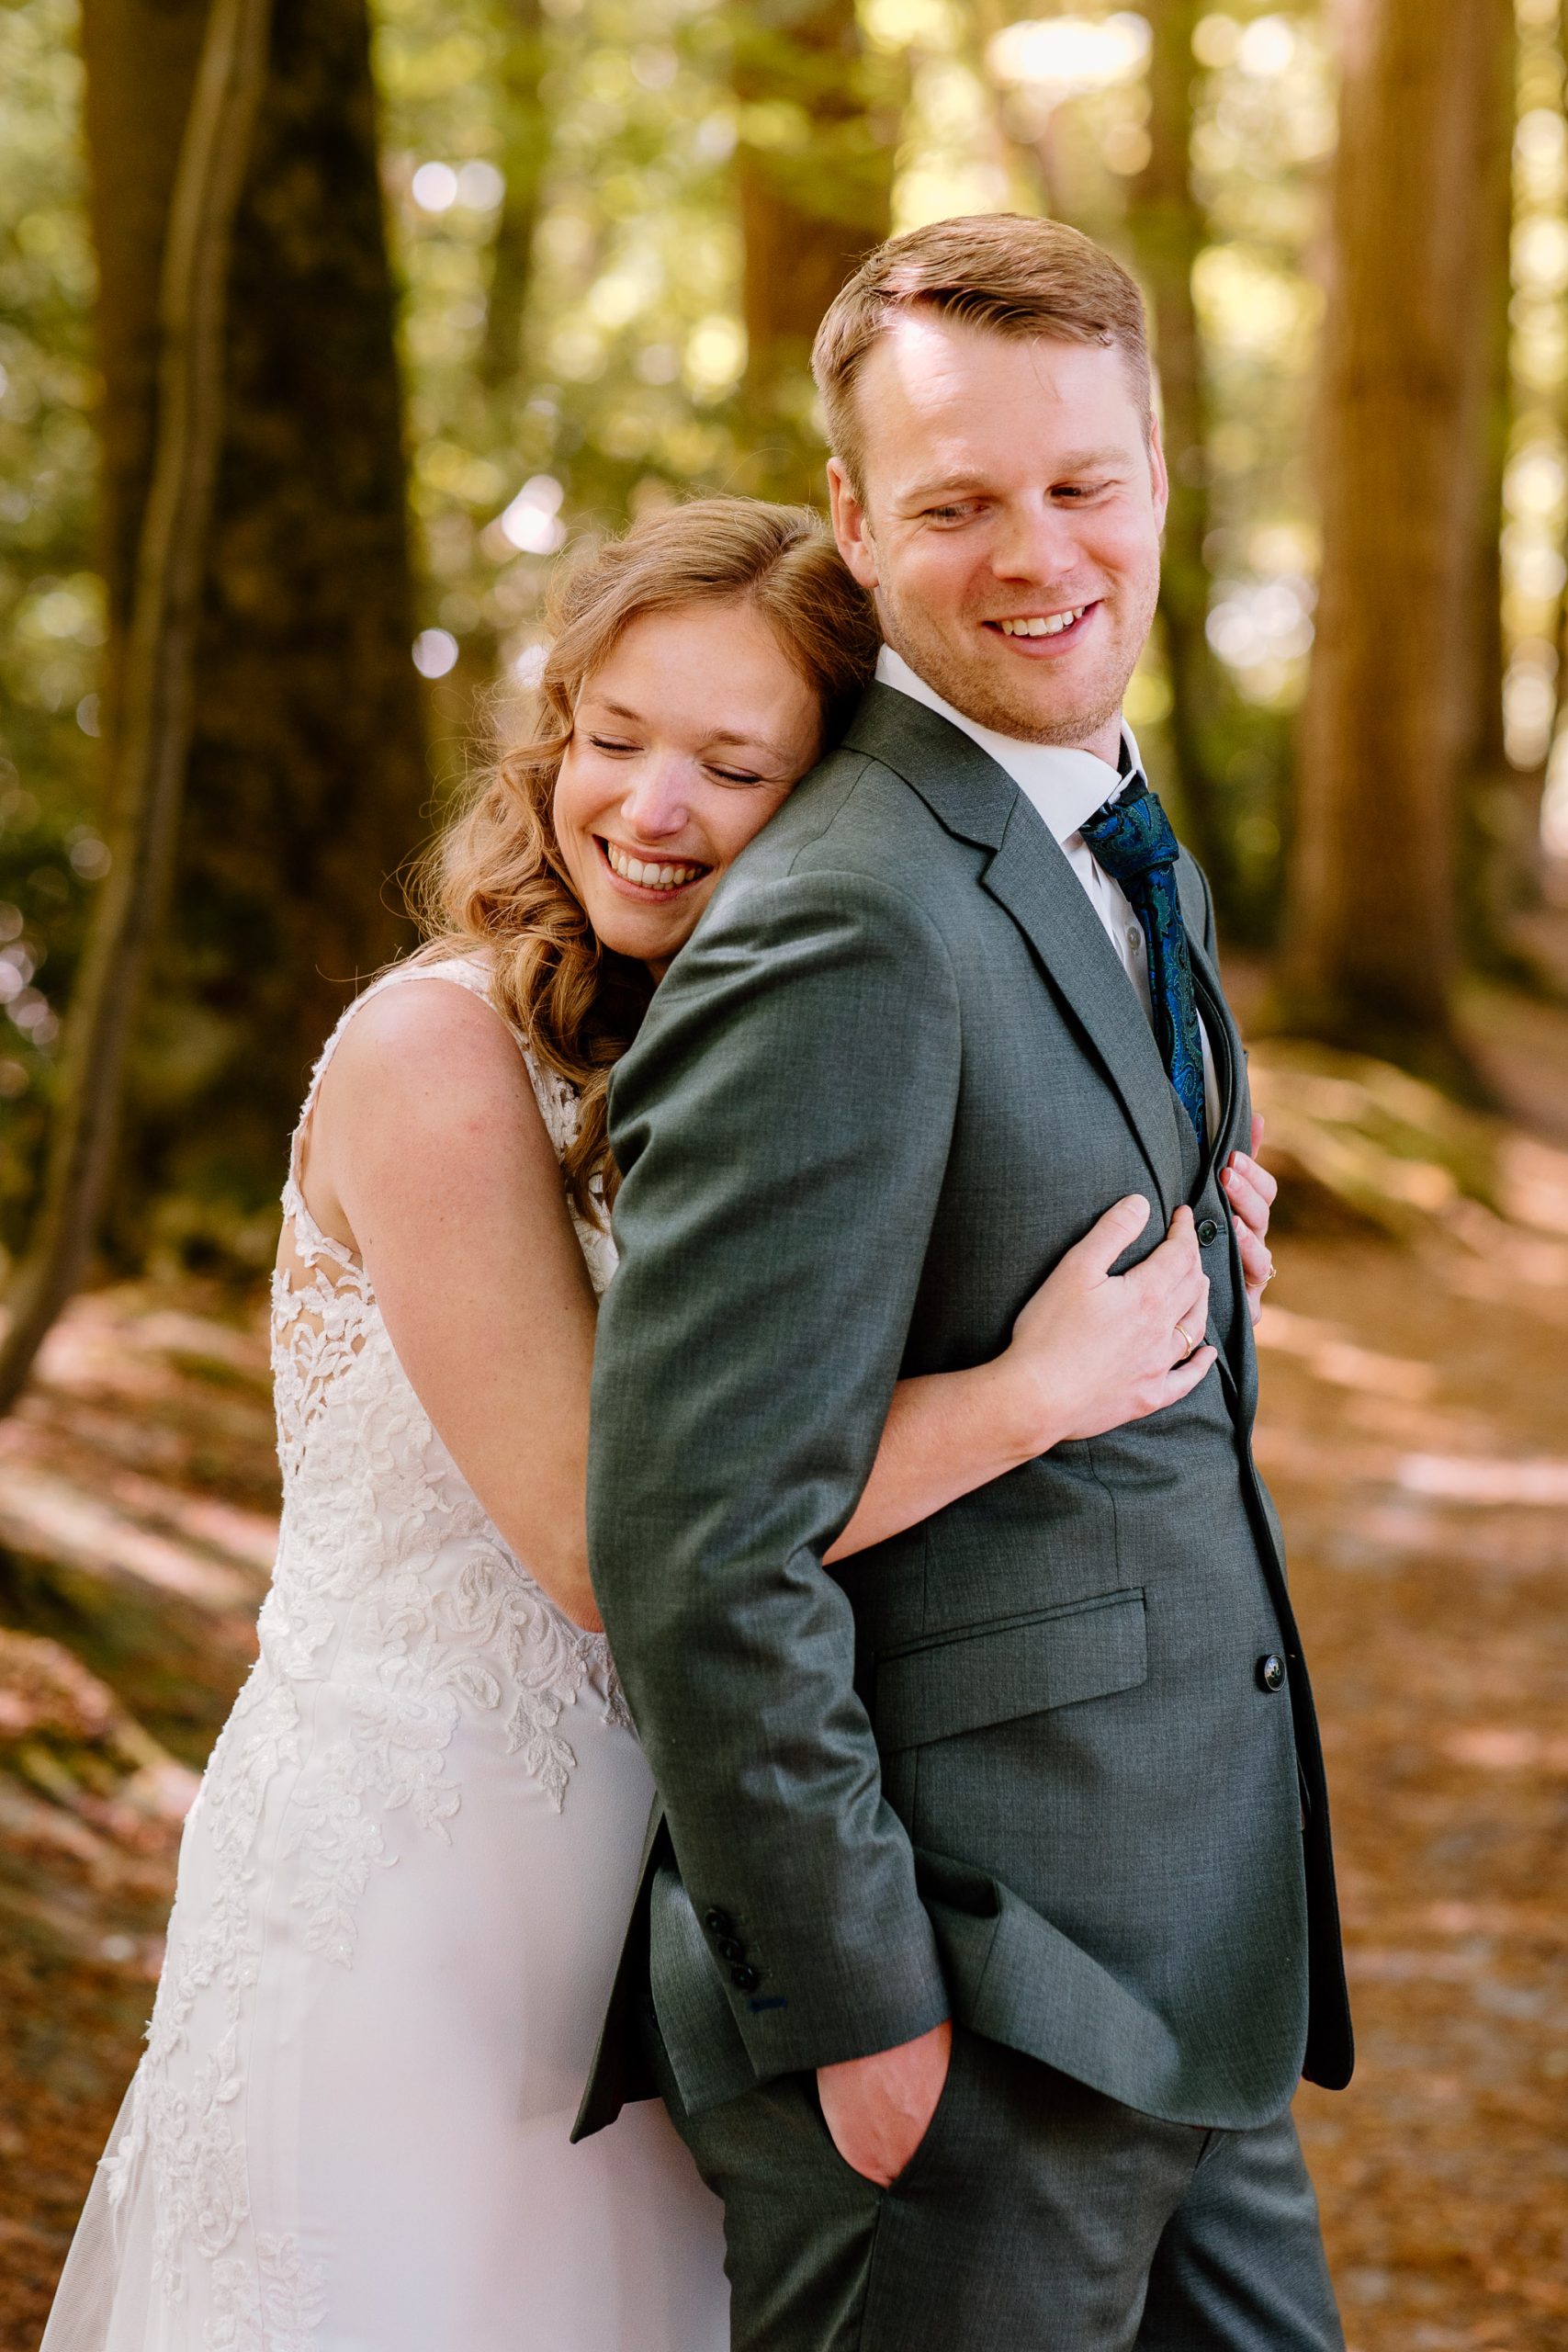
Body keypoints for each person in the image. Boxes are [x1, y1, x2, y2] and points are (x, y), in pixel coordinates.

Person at [39, 496, 1269, 2352]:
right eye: (609, 740)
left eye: (731, 763)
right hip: (426, 1888)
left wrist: (1189, 1260)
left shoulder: (751, 1036)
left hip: (688, 1869)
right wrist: (1031, 1395)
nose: (649, 807)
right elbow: (606, 1538)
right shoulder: (434, 1061)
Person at [578, 219, 1352, 2351]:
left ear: (1161, 470)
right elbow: (694, 1532)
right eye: (952, 503)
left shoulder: (1103, 826)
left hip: (1174, 1966)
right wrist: (856, 2000)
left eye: (1080, 483)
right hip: (958, 2002)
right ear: (851, 518)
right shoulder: (849, 912)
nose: (1037, 554)